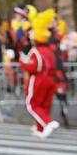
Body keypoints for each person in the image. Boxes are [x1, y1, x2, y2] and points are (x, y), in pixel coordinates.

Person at [19, 9, 60, 138]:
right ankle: (40, 128)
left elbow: (34, 67)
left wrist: (22, 62)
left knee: (32, 104)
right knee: (44, 105)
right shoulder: (50, 50)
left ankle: (47, 123)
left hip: (39, 79)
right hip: (51, 80)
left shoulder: (36, 51)